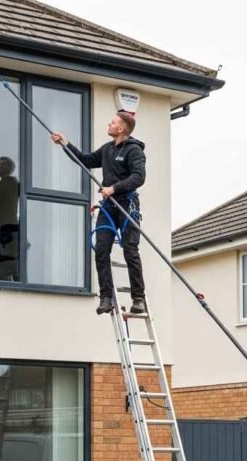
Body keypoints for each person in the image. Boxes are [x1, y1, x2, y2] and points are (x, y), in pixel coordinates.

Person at [50, 112, 146, 315]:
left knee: (130, 251)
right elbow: (85, 160)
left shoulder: (134, 150)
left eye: (113, 122)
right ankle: (106, 297)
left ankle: (138, 299)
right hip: (108, 207)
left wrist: (114, 188)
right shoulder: (107, 149)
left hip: (127, 206)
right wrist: (66, 144)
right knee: (101, 251)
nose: (109, 124)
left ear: (121, 129)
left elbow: (139, 177)